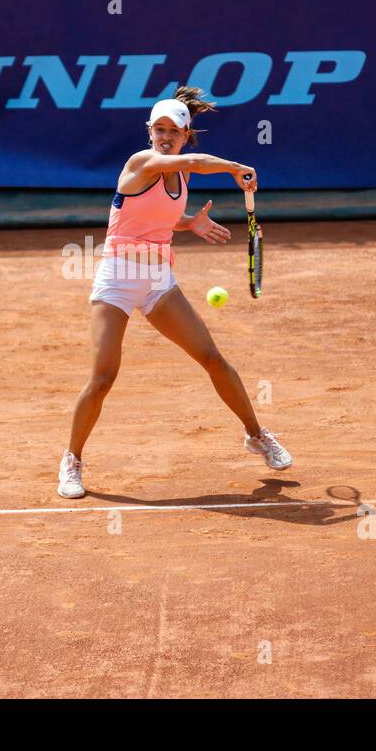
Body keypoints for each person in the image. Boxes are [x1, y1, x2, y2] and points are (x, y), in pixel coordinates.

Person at [58, 86, 292, 499]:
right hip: (116, 280)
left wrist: (188, 224)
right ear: (149, 131)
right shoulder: (142, 161)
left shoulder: (178, 177)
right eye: (159, 129)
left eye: (174, 131)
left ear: (186, 133)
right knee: (102, 378)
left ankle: (256, 435)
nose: (165, 136)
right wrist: (234, 167)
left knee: (212, 358)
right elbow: (196, 162)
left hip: (159, 282)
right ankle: (72, 460)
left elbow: (156, 216)